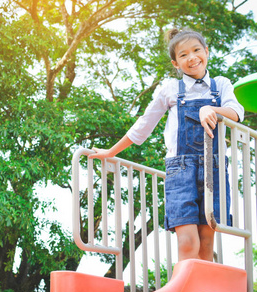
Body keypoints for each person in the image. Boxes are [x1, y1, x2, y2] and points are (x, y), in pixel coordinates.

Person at [88, 28, 244, 262]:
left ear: (206, 52)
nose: (191, 57)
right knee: (188, 242)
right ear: (175, 63)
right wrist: (111, 152)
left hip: (214, 169)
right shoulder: (171, 89)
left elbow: (236, 112)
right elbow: (145, 124)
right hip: (180, 170)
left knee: (206, 243)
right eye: (183, 55)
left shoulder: (220, 85)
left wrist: (210, 109)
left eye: (196, 50)